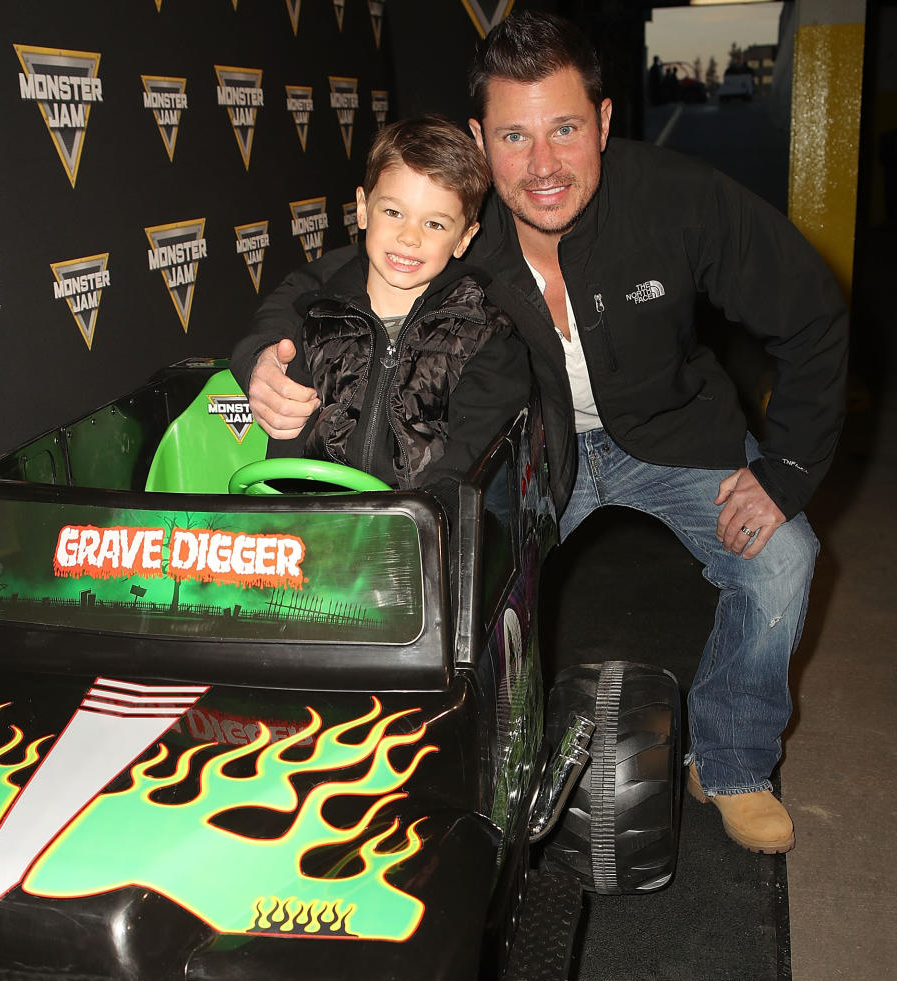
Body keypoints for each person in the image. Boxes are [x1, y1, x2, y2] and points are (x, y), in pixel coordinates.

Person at [232, 12, 848, 856]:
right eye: (515, 137)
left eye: (564, 129)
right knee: (451, 591)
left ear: (601, 122)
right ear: (482, 142)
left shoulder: (677, 197)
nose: (544, 165)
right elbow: (318, 281)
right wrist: (261, 359)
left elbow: (814, 314)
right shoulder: (458, 229)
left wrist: (783, 469)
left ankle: (734, 760)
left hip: (674, 437)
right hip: (533, 447)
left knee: (785, 558)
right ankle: (451, 780)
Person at [231, 115, 530, 491]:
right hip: (320, 532)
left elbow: (469, 471)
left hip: (419, 540)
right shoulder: (317, 319)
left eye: (434, 224)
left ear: (464, 238)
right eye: (393, 212)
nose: (409, 237)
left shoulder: (485, 338)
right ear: (362, 206)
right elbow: (286, 454)